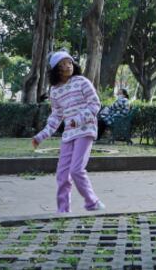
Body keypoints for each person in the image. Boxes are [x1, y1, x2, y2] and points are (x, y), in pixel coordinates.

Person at [32, 52, 106, 213]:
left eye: (70, 62)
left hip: (85, 130)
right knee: (62, 174)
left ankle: (92, 202)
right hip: (68, 134)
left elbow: (95, 104)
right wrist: (41, 136)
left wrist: (78, 120)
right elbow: (56, 117)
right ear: (56, 69)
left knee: (76, 170)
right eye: (63, 64)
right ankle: (63, 210)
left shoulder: (82, 82)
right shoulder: (54, 91)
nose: (68, 66)